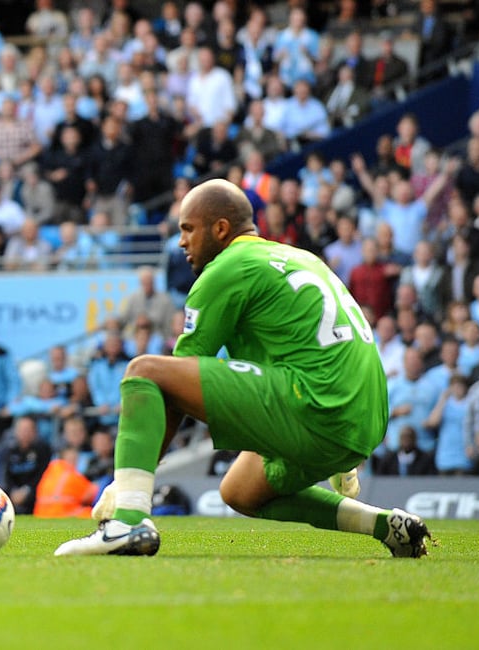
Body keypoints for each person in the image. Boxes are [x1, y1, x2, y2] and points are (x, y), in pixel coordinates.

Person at [55, 179, 431, 558]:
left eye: (188, 229)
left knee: (145, 371)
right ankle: (385, 526)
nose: (181, 242)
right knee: (239, 491)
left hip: (316, 404)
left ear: (220, 229)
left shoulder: (228, 267)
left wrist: (127, 485)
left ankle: (127, 524)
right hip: (364, 417)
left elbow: (175, 385)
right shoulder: (301, 258)